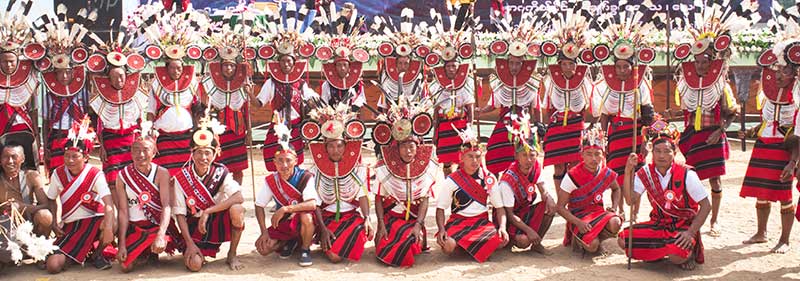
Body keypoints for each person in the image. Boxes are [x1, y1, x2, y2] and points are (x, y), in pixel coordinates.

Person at [671, 2, 759, 237]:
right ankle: (692, 217)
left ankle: (714, 221)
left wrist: (720, 131)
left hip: (712, 137)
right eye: (697, 61)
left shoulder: (720, 86)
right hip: (693, 137)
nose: (701, 66)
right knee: (690, 179)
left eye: (705, 61)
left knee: (715, 181)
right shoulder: (687, 84)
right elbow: (688, 112)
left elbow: (731, 112)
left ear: (713, 62)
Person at [739, 10, 800, 252]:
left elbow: (797, 132)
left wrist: (793, 162)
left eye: (785, 71)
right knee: (761, 193)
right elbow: (768, 122)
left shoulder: (797, 99)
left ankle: (784, 240)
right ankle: (761, 233)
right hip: (764, 146)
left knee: (784, 195)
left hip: (786, 151)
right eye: (777, 70)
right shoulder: (770, 95)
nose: (779, 75)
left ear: (795, 74)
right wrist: (753, 131)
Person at [619, 118, 711, 270]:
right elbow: (630, 200)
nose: (661, 156)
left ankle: (688, 251)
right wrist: (628, 171)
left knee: (676, 257)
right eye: (657, 151)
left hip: (682, 226)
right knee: (623, 240)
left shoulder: (686, 173)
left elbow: (706, 206)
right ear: (652, 152)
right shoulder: (645, 172)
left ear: (674, 153)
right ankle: (660, 253)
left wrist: (690, 232)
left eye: (667, 151)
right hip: (658, 224)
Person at [139, 7, 210, 175]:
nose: (176, 71)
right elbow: (151, 110)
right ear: (166, 68)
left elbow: (198, 107)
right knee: (164, 173)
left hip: (186, 136)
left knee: (185, 173)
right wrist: (149, 132)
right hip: (164, 137)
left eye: (179, 68)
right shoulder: (157, 84)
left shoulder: (192, 83)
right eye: (172, 68)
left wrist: (201, 125)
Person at [372, 96, 439, 267]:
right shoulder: (384, 168)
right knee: (386, 245)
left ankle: (416, 236)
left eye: (411, 147)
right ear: (396, 148)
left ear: (418, 148)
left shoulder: (426, 168)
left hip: (413, 221)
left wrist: (418, 225)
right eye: (403, 146)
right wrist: (380, 224)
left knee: (409, 241)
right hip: (391, 219)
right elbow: (378, 198)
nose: (408, 151)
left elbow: (424, 200)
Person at [173, 117, 246, 271]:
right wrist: (190, 244)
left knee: (237, 209)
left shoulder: (221, 171)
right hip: (195, 225)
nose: (203, 158)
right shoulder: (181, 177)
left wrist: (208, 211)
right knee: (194, 265)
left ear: (215, 153)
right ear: (192, 153)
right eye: (199, 153)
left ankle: (232, 254)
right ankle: (197, 249)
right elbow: (179, 215)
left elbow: (238, 197)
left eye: (208, 153)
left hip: (217, 220)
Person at [303, 101, 372, 263]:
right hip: (327, 218)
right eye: (331, 146)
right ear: (325, 148)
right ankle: (327, 240)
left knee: (359, 232)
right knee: (334, 257)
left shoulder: (357, 169)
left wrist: (367, 218)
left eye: (339, 146)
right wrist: (322, 228)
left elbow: (362, 196)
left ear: (345, 146)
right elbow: (315, 203)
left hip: (351, 217)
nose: (335, 150)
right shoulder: (315, 171)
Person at [45, 117, 115, 273]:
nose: (70, 160)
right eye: (67, 156)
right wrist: (54, 222)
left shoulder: (95, 174)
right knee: (53, 266)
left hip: (95, 223)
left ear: (85, 157)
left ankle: (97, 254)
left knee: (112, 221)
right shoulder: (58, 173)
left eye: (75, 156)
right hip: (71, 226)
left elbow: (109, 204)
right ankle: (77, 255)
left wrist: (109, 227)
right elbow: (51, 199)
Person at [253, 2, 318, 171]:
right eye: (283, 61)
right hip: (277, 126)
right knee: (274, 158)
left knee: (295, 161)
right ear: (278, 63)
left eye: (289, 61)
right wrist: (248, 93)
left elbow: (313, 100)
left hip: (296, 126)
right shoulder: (271, 82)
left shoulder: (301, 83)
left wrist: (316, 107)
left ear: (294, 63)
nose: (286, 64)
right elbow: (258, 103)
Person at [540, 10, 598, 190]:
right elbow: (547, 106)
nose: (567, 67)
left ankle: (575, 198)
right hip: (557, 126)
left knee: (574, 165)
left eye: (571, 63)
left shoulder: (584, 81)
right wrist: (545, 128)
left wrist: (588, 126)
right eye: (564, 64)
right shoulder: (551, 80)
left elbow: (591, 105)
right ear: (559, 65)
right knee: (558, 166)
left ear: (576, 64)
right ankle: (560, 199)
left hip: (575, 125)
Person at [89, 34, 149, 203]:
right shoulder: (101, 98)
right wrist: (101, 146)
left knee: (134, 175)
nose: (119, 80)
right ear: (109, 79)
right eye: (115, 77)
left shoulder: (136, 93)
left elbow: (141, 119)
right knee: (113, 180)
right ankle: (119, 210)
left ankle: (134, 208)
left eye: (122, 76)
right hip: (110, 139)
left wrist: (142, 139)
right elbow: (99, 123)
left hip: (131, 139)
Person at [436, 127, 508, 262]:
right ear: (462, 158)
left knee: (499, 241)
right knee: (448, 246)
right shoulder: (452, 179)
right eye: (470, 156)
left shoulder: (489, 178)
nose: (475, 161)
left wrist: (503, 227)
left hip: (481, 223)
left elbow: (500, 208)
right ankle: (465, 246)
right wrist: (441, 229)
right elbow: (440, 209)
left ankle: (464, 246)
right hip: (458, 222)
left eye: (478, 157)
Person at [484, 12, 544, 175]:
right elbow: (494, 104)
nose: (514, 67)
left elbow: (536, 107)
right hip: (504, 121)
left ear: (523, 64)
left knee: (523, 155)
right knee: (494, 150)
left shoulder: (532, 80)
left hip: (524, 122)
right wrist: (479, 110)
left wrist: (539, 125)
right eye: (511, 63)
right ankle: (500, 183)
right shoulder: (500, 80)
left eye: (518, 63)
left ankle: (521, 184)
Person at [115, 124, 180, 272]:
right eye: (136, 150)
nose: (141, 154)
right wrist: (122, 244)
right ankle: (143, 250)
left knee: (158, 240)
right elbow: (123, 211)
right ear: (131, 153)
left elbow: (166, 206)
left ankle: (151, 249)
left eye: (146, 150)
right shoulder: (123, 176)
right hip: (135, 226)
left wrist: (161, 234)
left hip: (155, 224)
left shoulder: (162, 173)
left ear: (154, 152)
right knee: (125, 267)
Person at [200, 23, 255, 184]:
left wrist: (249, 131)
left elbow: (246, 109)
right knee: (217, 166)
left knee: (238, 168)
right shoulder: (210, 83)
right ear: (220, 67)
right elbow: (205, 106)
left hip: (238, 130)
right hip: (218, 131)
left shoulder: (243, 83)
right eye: (225, 66)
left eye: (231, 65)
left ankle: (236, 192)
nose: (229, 69)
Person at [254, 130, 317, 267]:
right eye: (280, 161)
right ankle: (289, 241)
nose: (284, 165)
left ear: (296, 161)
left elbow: (312, 204)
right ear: (274, 162)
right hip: (284, 222)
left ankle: (305, 249)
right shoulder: (271, 180)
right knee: (263, 248)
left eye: (288, 160)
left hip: (303, 221)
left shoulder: (305, 177)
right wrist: (264, 232)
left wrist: (285, 209)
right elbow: (259, 205)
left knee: (307, 217)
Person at [556, 127, 622, 254]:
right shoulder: (572, 176)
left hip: (598, 212)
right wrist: (578, 223)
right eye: (589, 154)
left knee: (616, 222)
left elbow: (616, 189)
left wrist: (614, 207)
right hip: (579, 216)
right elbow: (560, 207)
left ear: (603, 155)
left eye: (597, 154)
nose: (593, 159)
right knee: (592, 246)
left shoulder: (604, 172)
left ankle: (597, 237)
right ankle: (582, 239)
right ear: (582, 155)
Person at [494, 121, 555, 255]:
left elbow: (543, 190)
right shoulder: (508, 181)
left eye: (532, 155)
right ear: (516, 156)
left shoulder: (535, 168)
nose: (529, 160)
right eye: (524, 155)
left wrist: (548, 197)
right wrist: (529, 230)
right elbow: (510, 214)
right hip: (509, 217)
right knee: (523, 241)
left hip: (524, 211)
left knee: (551, 206)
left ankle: (537, 244)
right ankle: (510, 240)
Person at [428, 8, 476, 176]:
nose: (451, 69)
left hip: (461, 125)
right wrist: (435, 132)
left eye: (454, 66)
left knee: (462, 158)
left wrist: (470, 128)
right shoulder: (437, 84)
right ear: (444, 67)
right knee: (446, 161)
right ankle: (449, 183)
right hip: (444, 126)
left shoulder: (466, 82)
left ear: (458, 67)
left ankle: (463, 185)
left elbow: (470, 107)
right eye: (448, 66)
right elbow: (436, 110)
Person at [0, 2, 39, 171]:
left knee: (27, 166)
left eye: (11, 61)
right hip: (1, 126)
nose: (8, 65)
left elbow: (33, 108)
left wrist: (36, 131)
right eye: (4, 62)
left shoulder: (28, 77)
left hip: (24, 127)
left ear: (17, 61)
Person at [318, 4, 368, 113]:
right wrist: (331, 113)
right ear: (334, 66)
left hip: (352, 120)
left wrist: (353, 109)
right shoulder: (327, 85)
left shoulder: (357, 83)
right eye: (339, 65)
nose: (342, 68)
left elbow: (361, 99)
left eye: (345, 65)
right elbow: (324, 103)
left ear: (349, 67)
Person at [0, 142, 52, 236]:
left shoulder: (31, 176)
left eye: (14, 157)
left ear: (22, 158)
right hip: (5, 225)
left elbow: (46, 206)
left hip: (30, 223)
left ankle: (40, 243)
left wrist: (22, 207)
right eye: (5, 157)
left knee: (45, 215)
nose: (10, 161)